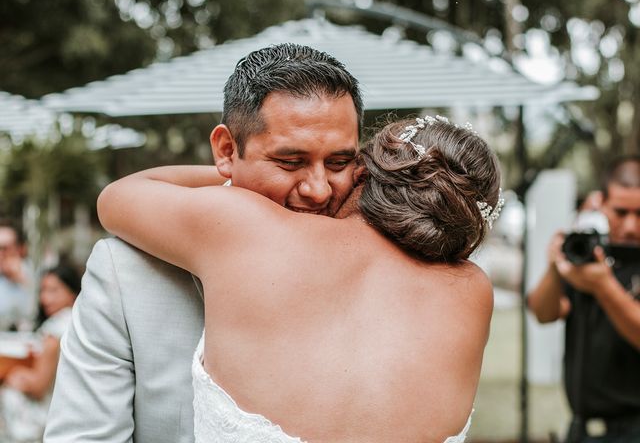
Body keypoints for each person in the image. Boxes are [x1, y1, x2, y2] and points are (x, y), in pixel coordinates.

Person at [97, 115, 502, 442]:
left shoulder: (246, 227)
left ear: (364, 174)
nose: (319, 186)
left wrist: (248, 170)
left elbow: (117, 197)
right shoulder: (473, 292)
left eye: (341, 164)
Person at [44, 43, 364, 443]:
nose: (318, 191)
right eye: (289, 162)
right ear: (227, 150)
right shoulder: (124, 274)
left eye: (338, 163)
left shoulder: (377, 265)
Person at [528, 156, 640, 442]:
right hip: (580, 429)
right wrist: (557, 265)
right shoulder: (587, 252)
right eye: (621, 212)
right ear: (600, 204)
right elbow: (543, 312)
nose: (630, 225)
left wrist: (603, 286)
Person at [1, 264, 80, 442]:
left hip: (42, 418)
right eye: (43, 290)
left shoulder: (55, 330)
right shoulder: (77, 323)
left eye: (54, 290)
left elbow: (38, 386)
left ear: (73, 292)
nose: (45, 298)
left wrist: (11, 376)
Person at [0, 219, 36, 331]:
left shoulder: (32, 272)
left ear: (20, 249)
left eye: (5, 248)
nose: (1, 254)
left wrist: (21, 280)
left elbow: (33, 313)